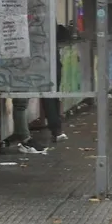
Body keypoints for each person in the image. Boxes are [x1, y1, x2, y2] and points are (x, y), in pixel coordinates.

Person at [12, 24, 71, 153]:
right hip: (24, 58)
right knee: (21, 100)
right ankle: (25, 139)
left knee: (22, 100)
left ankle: (25, 138)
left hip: (25, 57)